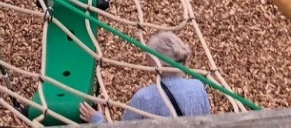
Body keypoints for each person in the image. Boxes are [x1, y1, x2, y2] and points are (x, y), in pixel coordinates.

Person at [79, 30, 212, 121]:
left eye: (149, 60)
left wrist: (97, 120)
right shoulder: (198, 87)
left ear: (158, 63)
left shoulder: (144, 98)